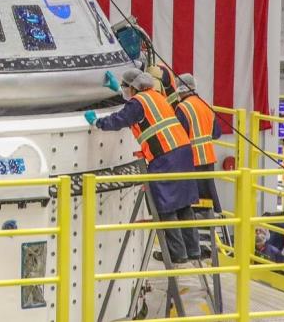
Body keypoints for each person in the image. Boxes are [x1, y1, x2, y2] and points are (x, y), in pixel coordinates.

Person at [88, 71, 201, 263]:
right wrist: (117, 90)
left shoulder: (138, 102)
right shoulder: (155, 95)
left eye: (124, 87)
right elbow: (137, 110)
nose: (123, 90)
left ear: (132, 87)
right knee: (184, 204)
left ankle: (177, 254)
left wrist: (97, 122)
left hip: (166, 156)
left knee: (165, 206)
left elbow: (121, 119)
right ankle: (193, 250)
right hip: (182, 151)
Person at [169, 73, 222, 258]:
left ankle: (191, 248)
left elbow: (178, 137)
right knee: (205, 203)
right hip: (208, 159)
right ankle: (205, 246)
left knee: (187, 204)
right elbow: (217, 133)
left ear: (180, 89)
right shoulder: (205, 104)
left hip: (192, 161)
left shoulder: (182, 108)